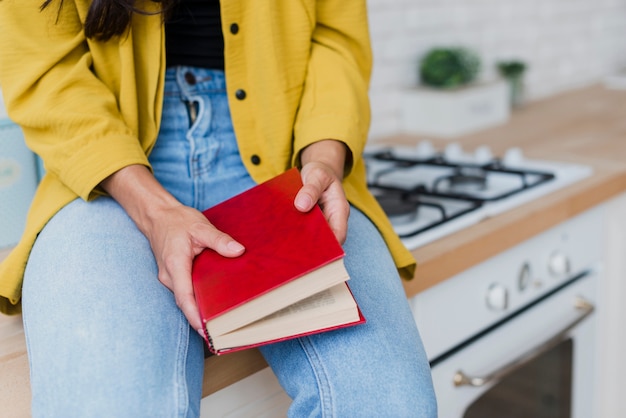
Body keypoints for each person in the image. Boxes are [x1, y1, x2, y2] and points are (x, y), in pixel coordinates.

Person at [0, 0, 438, 417]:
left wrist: (323, 158)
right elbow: (45, 70)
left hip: (287, 159)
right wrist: (154, 211)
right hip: (109, 173)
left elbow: (337, 37)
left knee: (391, 403)